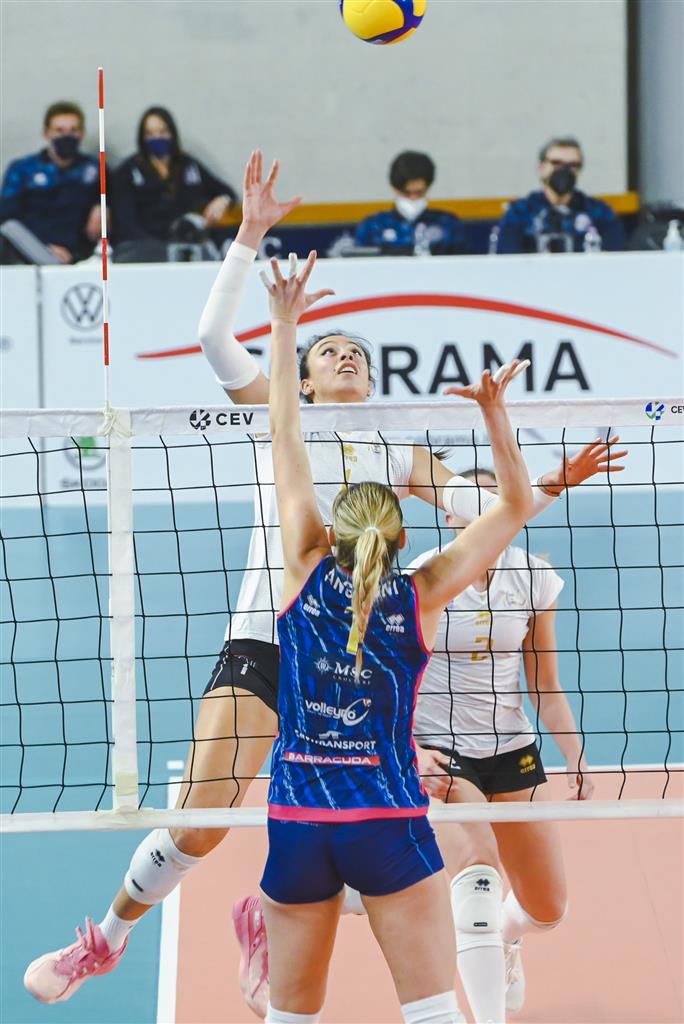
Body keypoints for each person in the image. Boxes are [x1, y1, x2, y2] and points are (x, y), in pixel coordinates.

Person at [22, 151, 580, 1012]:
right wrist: (249, 234)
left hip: (361, 652)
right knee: (202, 821)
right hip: (268, 640)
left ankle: (275, 922)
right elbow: (214, 340)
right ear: (307, 376)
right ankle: (108, 936)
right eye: (329, 349)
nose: (345, 356)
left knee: (371, 822)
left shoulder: (398, 447)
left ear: (373, 378)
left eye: (357, 351)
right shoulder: (279, 417)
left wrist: (549, 484)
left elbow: (488, 511)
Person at [259, 244, 534, 1023]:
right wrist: (493, 414)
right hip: (386, 817)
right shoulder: (423, 594)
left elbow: (284, 434)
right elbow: (514, 505)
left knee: (290, 1015)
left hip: (297, 819)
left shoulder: (303, 567)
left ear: (330, 531)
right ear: (403, 537)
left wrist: (284, 327)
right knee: (432, 1010)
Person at [408, 455, 625, 1023]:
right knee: (477, 878)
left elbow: (544, 684)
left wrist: (576, 756)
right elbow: (392, 679)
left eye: (498, 505)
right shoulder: (423, 577)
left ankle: (506, 938)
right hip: (442, 751)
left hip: (511, 748)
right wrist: (412, 750)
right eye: (474, 507)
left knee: (548, 908)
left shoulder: (532, 577)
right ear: (452, 517)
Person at [112, 106, 237, 246]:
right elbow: (126, 223)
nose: (157, 138)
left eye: (163, 132)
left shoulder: (188, 165)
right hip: (148, 246)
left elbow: (226, 192)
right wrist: (156, 248)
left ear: (172, 133)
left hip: (189, 242)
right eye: (150, 134)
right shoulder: (128, 171)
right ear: (143, 138)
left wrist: (222, 200)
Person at [0, 101, 102, 264]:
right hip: (32, 254)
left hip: (82, 256)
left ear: (82, 133)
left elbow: (118, 199)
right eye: (59, 130)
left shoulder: (95, 169)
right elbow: (7, 217)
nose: (67, 136)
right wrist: (43, 247)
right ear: (46, 133)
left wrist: (102, 205)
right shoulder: (22, 169)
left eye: (73, 130)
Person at [496, 136, 625, 254]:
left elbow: (615, 256)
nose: (564, 170)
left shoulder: (599, 213)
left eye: (573, 165)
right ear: (541, 168)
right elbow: (507, 257)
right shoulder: (520, 213)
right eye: (556, 163)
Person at [355, 150, 467, 255]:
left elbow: (464, 262)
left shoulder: (448, 224)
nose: (413, 198)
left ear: (428, 187)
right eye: (406, 193)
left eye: (419, 192)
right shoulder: (373, 226)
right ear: (395, 188)